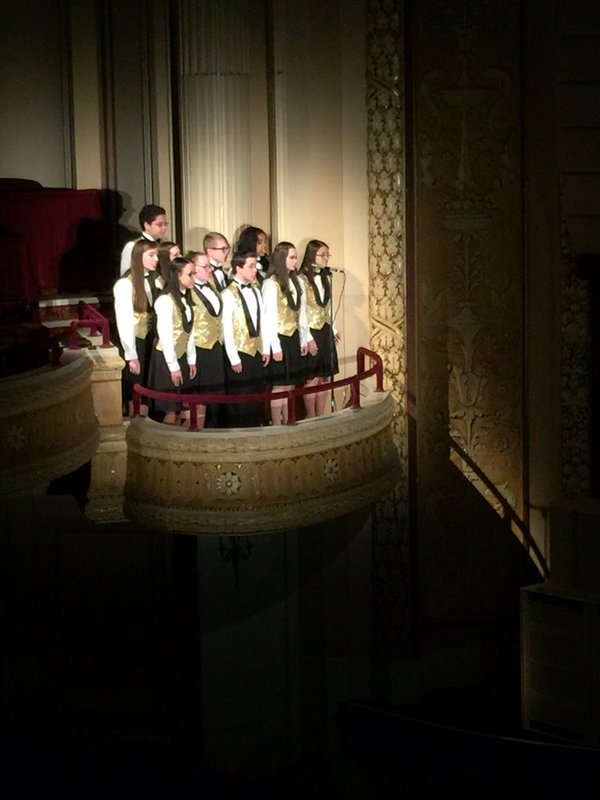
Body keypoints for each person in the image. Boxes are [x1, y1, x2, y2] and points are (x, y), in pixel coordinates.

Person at [261, 241, 308, 425]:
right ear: (282, 259)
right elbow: (268, 317)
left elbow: (301, 313)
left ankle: (289, 419)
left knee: (290, 384)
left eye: (296, 257)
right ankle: (276, 424)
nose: (296, 261)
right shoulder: (271, 284)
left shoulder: (296, 282)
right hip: (279, 337)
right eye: (292, 257)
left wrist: (303, 339)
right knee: (279, 385)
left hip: (293, 336)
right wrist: (274, 346)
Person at [221, 251, 270, 427]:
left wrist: (265, 348)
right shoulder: (227, 294)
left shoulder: (256, 290)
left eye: (255, 266)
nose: (254, 270)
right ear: (238, 268)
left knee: (256, 396)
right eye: (250, 266)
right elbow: (226, 327)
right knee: (239, 399)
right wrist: (233, 357)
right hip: (239, 353)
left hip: (255, 351)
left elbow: (262, 320)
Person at [113, 239, 160, 415]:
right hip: (135, 343)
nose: (156, 259)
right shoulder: (125, 284)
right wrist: (131, 354)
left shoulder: (149, 281)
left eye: (156, 255)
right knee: (135, 388)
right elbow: (124, 321)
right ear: (138, 257)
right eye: (151, 255)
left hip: (148, 340)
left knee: (146, 387)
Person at [147, 257, 197, 425]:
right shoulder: (165, 301)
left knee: (181, 407)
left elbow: (189, 330)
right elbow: (166, 336)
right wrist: (173, 366)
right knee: (170, 407)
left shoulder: (187, 298)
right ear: (177, 275)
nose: (194, 278)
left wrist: (191, 359)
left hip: (181, 356)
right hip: (166, 359)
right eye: (191, 274)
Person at [298, 239, 340, 417]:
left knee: (325, 376)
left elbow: (328, 306)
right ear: (311, 255)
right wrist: (307, 337)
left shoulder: (326, 277)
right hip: (311, 330)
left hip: (325, 328)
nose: (326, 258)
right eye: (322, 255)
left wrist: (334, 328)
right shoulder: (301, 279)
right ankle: (311, 415)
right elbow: (300, 311)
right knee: (312, 378)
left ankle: (321, 415)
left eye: (327, 255)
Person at [188, 250, 226, 429]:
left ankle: (210, 431)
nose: (209, 270)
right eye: (205, 267)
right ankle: (197, 434)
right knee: (198, 397)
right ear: (192, 268)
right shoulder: (188, 291)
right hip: (199, 348)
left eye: (209, 266)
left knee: (213, 396)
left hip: (215, 346)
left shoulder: (211, 285)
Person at [119, 204, 168, 276]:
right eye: (159, 225)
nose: (164, 228)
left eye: (165, 224)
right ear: (147, 225)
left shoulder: (164, 244)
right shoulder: (132, 246)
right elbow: (126, 274)